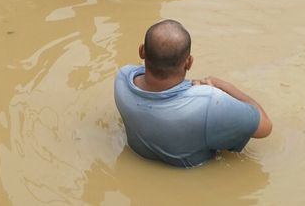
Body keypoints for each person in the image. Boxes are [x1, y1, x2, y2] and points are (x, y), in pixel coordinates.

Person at [114, 19, 272, 167]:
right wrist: (220, 86)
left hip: (141, 159)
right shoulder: (209, 102)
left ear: (142, 51)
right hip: (190, 175)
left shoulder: (122, 78)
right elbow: (265, 127)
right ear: (189, 62)